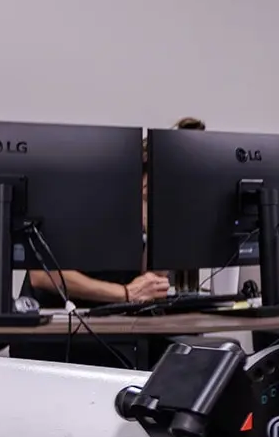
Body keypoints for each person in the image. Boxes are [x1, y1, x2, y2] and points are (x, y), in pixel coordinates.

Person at [25, 117, 201, 306]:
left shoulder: (148, 214)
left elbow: (146, 286)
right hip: (52, 319)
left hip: (111, 322)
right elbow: (42, 275)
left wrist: (160, 231)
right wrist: (124, 293)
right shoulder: (88, 199)